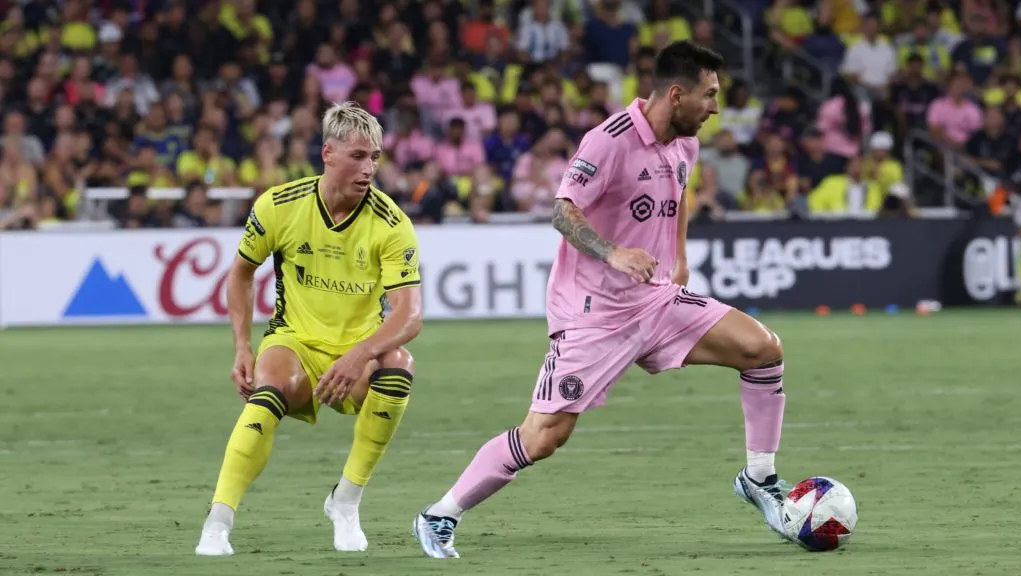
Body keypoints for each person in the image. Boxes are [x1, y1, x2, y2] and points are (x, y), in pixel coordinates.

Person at [412, 40, 790, 559]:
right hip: (594, 314)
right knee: (544, 437)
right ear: (676, 94)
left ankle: (760, 477)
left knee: (763, 349)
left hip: (657, 302)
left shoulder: (685, 142)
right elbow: (562, 211)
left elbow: (678, 197)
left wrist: (678, 258)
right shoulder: (608, 141)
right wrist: (613, 254)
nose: (715, 108)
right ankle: (439, 515)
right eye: (709, 95)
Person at [195, 102, 424, 556]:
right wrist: (242, 346)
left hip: (356, 351)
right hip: (294, 342)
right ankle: (218, 522)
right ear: (328, 153)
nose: (369, 168)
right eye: (359, 156)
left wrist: (359, 354)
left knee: (398, 365)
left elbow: (409, 315)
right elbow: (240, 273)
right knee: (269, 388)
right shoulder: (279, 206)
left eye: (375, 157)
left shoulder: (392, 224)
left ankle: (346, 501)